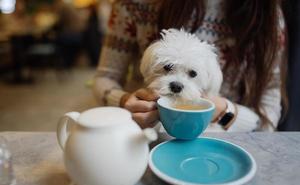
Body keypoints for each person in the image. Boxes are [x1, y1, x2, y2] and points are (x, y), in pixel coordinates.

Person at [93, 0, 287, 132]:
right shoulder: (136, 3)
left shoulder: (268, 17)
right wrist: (124, 101)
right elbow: (105, 77)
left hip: (227, 137)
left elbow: (269, 107)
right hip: (140, 129)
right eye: (168, 67)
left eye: (192, 73)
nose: (177, 83)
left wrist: (226, 113)